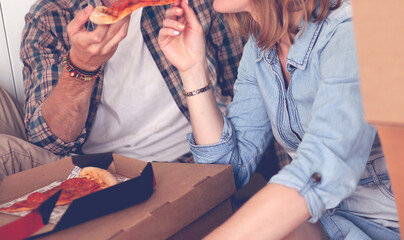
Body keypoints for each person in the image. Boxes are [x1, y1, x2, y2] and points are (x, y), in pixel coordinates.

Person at [158, 0, 400, 239]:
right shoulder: (260, 49)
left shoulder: (350, 29)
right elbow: (226, 172)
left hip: (388, 221)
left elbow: (323, 168)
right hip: (329, 218)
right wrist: (192, 70)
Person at [0, 0, 245, 182]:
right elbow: (50, 143)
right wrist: (81, 68)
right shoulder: (50, 15)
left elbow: (249, 93)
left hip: (193, 159)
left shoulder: (197, 4)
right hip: (102, 171)